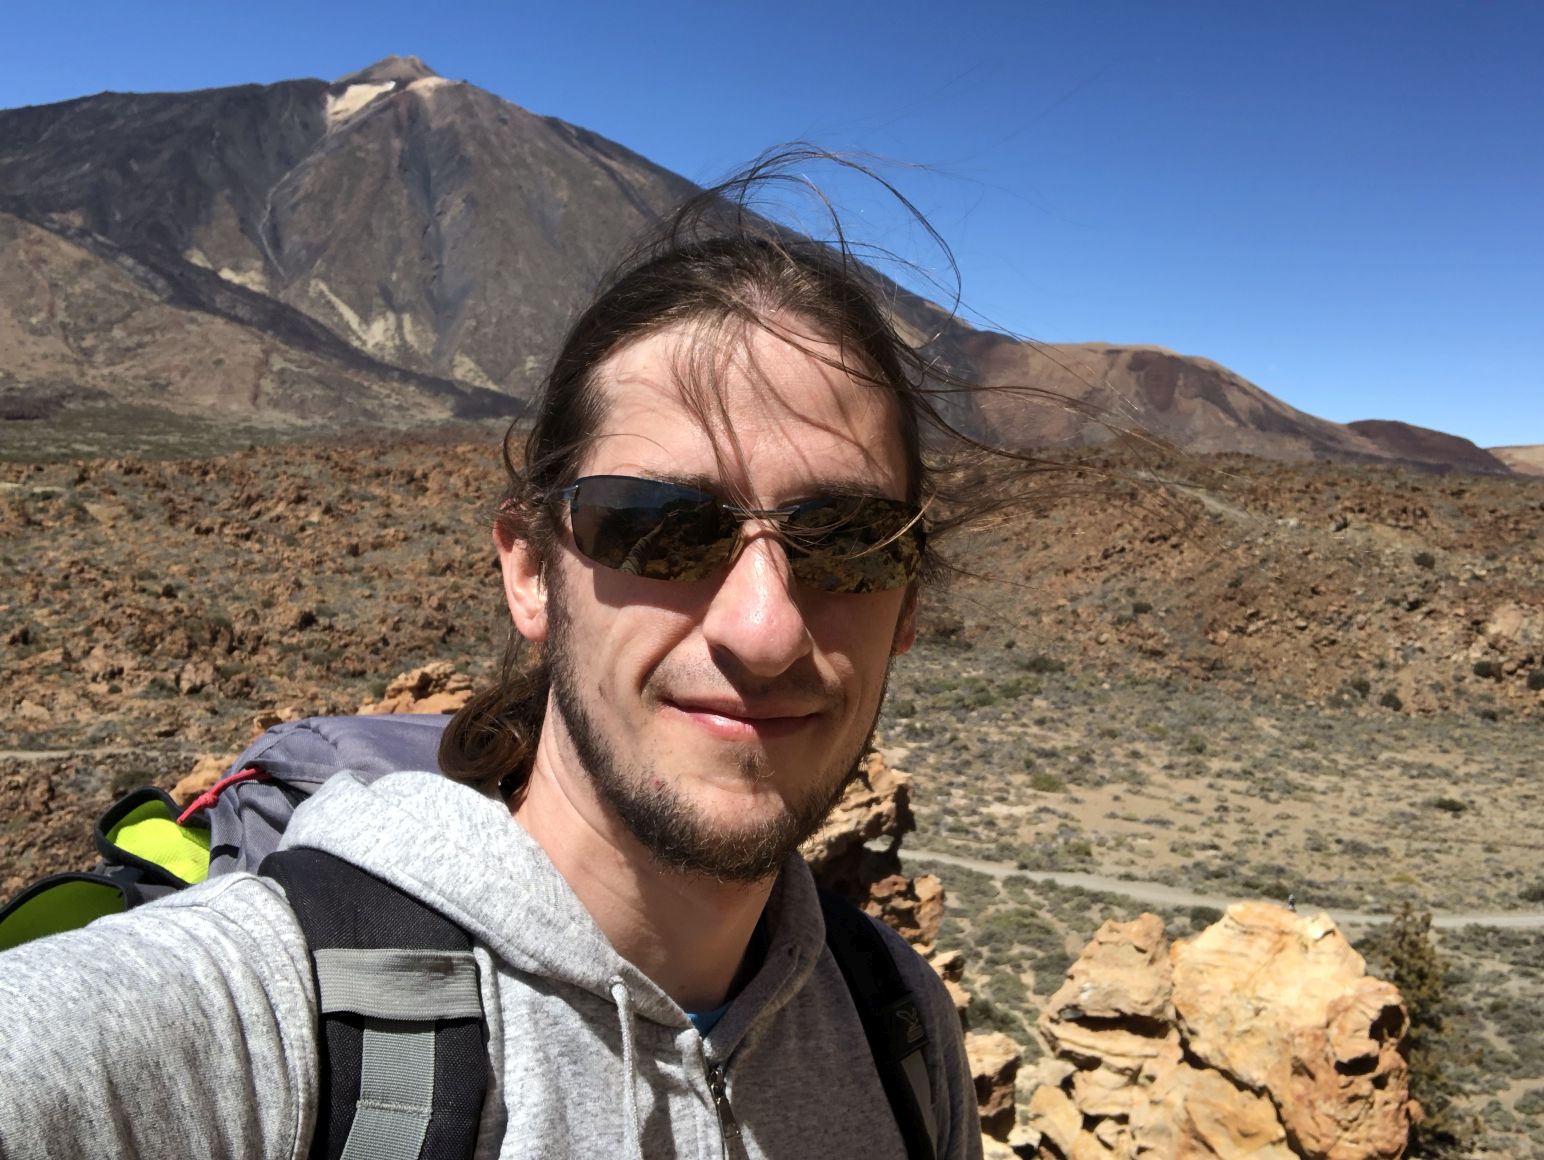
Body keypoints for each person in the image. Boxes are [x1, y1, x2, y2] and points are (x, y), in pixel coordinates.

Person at [0, 162, 983, 1158]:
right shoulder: (270, 1017)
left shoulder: (898, 1032)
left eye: (850, 541)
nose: (763, 628)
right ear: (530, 572)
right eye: (661, 528)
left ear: (908, 602)